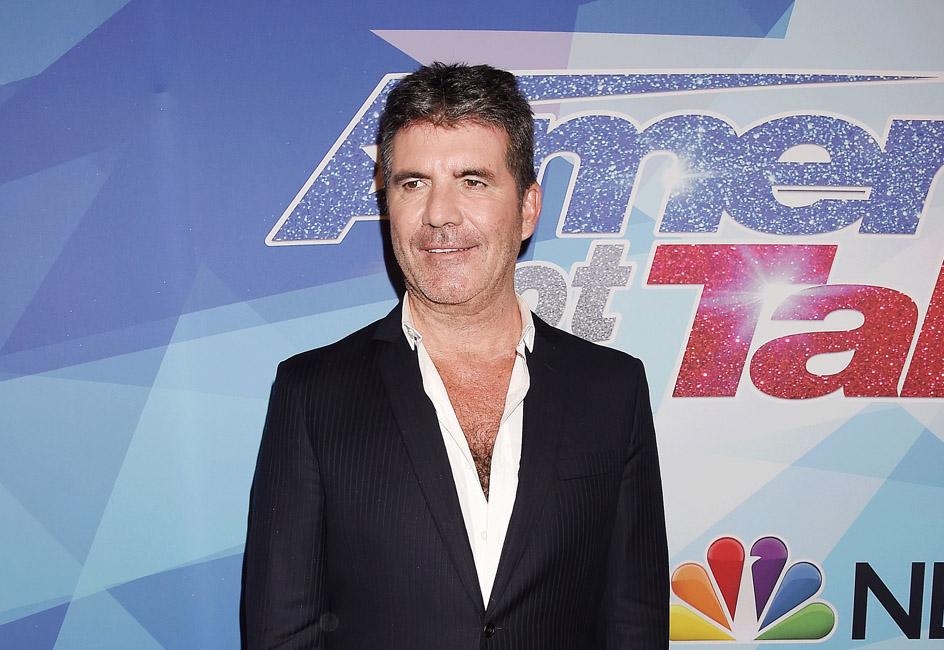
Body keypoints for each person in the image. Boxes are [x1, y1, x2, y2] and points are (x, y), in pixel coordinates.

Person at [242, 62, 668, 649]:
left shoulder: (612, 389)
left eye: (472, 180)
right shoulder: (312, 393)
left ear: (528, 207)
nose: (439, 214)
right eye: (413, 183)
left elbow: (635, 623)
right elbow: (280, 632)